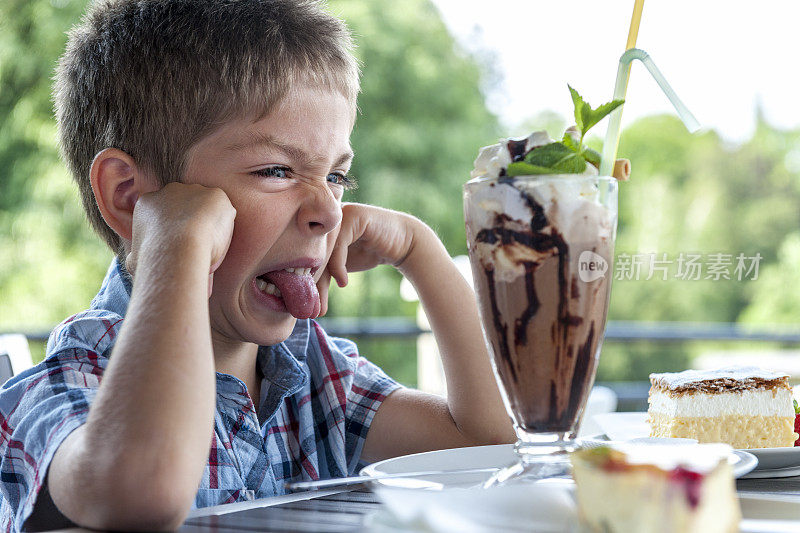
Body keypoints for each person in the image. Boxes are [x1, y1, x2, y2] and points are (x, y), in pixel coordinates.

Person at [0, 0, 515, 530]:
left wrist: (419, 250)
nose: (327, 211)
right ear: (130, 197)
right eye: (276, 170)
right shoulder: (76, 376)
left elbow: (489, 447)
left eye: (338, 177)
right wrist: (176, 245)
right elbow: (145, 491)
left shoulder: (310, 375)